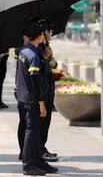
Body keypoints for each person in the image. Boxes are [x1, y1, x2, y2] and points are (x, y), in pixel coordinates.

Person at [15, 22, 57, 176]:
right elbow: (35, 80)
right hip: (31, 99)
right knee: (32, 132)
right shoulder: (33, 55)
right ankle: (28, 165)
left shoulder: (24, 51)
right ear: (39, 36)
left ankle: (38, 161)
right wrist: (41, 102)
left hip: (25, 97)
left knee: (33, 131)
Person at [38, 20, 59, 163]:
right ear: (44, 32)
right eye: (50, 31)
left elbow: (54, 64)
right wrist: (46, 56)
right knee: (41, 122)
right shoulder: (37, 48)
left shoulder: (46, 46)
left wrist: (50, 56)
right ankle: (39, 151)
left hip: (48, 87)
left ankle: (42, 148)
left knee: (46, 122)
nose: (52, 34)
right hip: (42, 90)